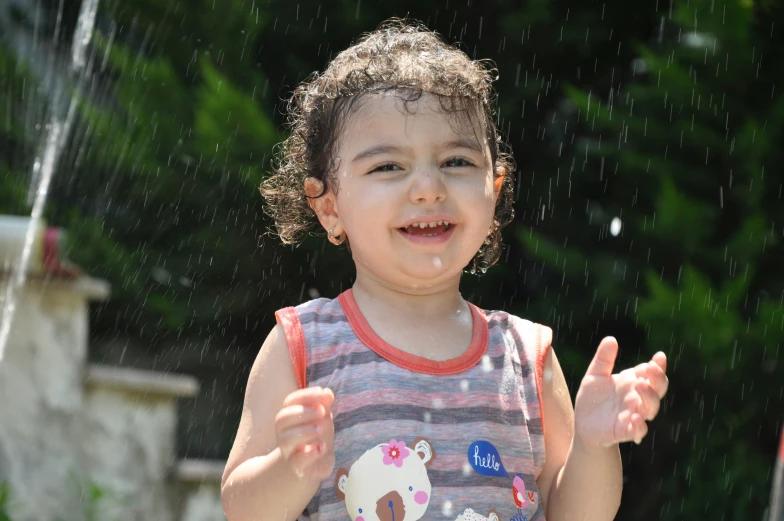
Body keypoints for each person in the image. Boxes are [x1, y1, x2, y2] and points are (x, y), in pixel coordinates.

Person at [221, 18, 669, 521]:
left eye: (457, 161)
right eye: (387, 167)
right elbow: (241, 508)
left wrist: (592, 445)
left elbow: (575, 515)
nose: (428, 187)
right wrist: (290, 468)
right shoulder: (305, 346)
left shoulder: (525, 358)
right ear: (328, 206)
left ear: (493, 192)